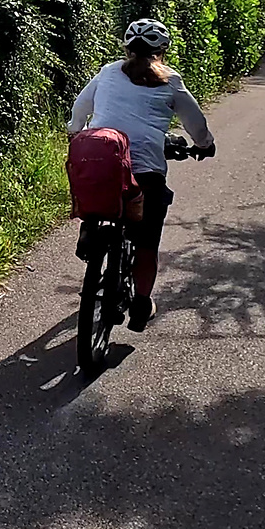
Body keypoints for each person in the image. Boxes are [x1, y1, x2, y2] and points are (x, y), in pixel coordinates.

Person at [67, 18, 215, 331]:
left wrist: (74, 130)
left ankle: (91, 228)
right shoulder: (170, 80)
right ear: (163, 49)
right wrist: (205, 144)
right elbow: (195, 122)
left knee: (101, 197)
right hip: (146, 171)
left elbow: (81, 107)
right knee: (146, 244)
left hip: (102, 163)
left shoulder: (108, 72)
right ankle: (141, 303)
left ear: (127, 47)